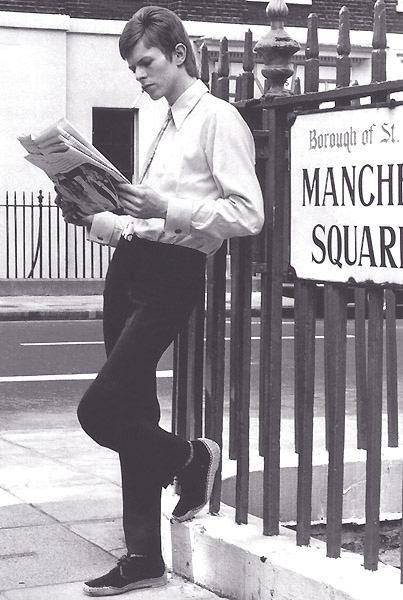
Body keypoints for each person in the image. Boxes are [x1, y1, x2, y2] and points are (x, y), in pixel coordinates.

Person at [57, 5, 264, 597]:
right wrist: (97, 218)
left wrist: (165, 208)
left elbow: (248, 214)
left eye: (145, 62)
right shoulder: (163, 121)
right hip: (130, 266)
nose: (139, 75)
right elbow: (143, 217)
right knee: (132, 411)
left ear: (178, 53)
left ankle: (192, 459)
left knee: (99, 411)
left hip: (172, 273)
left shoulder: (218, 119)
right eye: (132, 67)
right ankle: (143, 555)